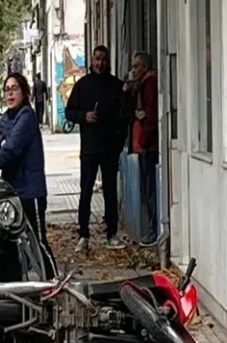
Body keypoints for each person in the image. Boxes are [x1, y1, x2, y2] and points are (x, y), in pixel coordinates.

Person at [0, 73, 58, 280]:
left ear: (24, 92)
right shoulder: (8, 118)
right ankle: (15, 286)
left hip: (31, 191)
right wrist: (2, 142)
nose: (10, 93)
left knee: (38, 240)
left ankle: (53, 281)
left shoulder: (27, 116)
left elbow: (12, 149)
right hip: (12, 191)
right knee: (10, 241)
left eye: (14, 88)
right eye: (7, 89)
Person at [65, 45, 127, 251]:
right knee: (86, 190)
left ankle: (112, 232)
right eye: (97, 59)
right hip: (89, 147)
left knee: (110, 190)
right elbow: (69, 112)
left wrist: (119, 143)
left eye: (103, 59)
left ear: (108, 61)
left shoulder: (116, 85)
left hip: (110, 148)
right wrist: (84, 116)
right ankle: (83, 234)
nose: (100, 63)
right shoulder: (82, 85)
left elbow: (124, 115)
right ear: (91, 60)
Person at [125, 52, 158, 247]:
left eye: (137, 66)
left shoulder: (149, 84)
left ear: (145, 67)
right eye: (133, 66)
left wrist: (144, 142)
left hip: (149, 147)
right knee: (147, 190)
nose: (134, 70)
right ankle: (151, 229)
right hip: (143, 145)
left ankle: (153, 230)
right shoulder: (141, 85)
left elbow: (151, 117)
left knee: (150, 190)